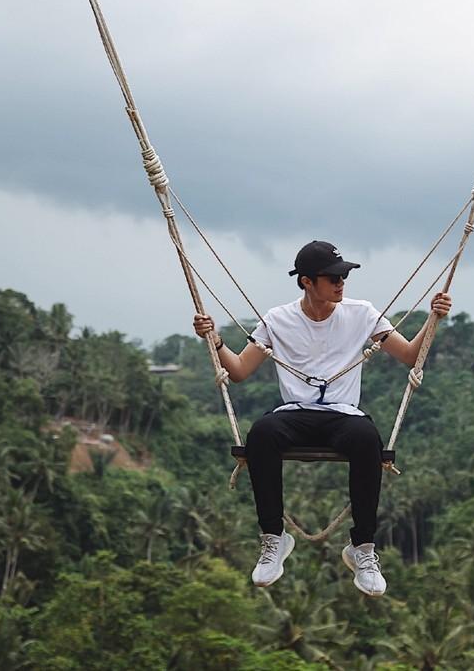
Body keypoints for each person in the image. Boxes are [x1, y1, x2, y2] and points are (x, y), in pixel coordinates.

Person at [193, 240, 452, 597]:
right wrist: (215, 340)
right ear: (306, 282)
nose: (341, 283)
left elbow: (409, 355)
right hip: (296, 414)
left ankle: (362, 548)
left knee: (366, 438)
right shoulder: (278, 319)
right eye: (332, 278)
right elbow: (238, 370)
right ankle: (273, 538)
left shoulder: (361, 313)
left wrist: (433, 318)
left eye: (343, 276)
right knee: (262, 434)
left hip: (343, 416)